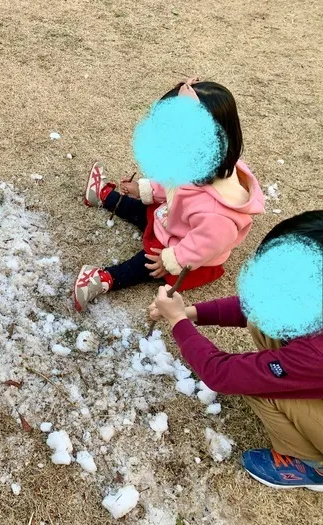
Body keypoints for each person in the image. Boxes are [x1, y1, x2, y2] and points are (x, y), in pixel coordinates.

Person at [149, 210, 323, 491]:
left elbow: (224, 375)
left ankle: (313, 467)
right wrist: (189, 312)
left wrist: (177, 322)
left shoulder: (316, 353)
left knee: (261, 387)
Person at [74, 79, 265, 312]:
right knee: (143, 210)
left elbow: (202, 247)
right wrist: (146, 189)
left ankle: (104, 279)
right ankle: (104, 196)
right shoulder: (201, 164)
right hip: (174, 218)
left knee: (147, 264)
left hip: (188, 252)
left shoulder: (218, 215)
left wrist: (172, 259)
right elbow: (172, 183)